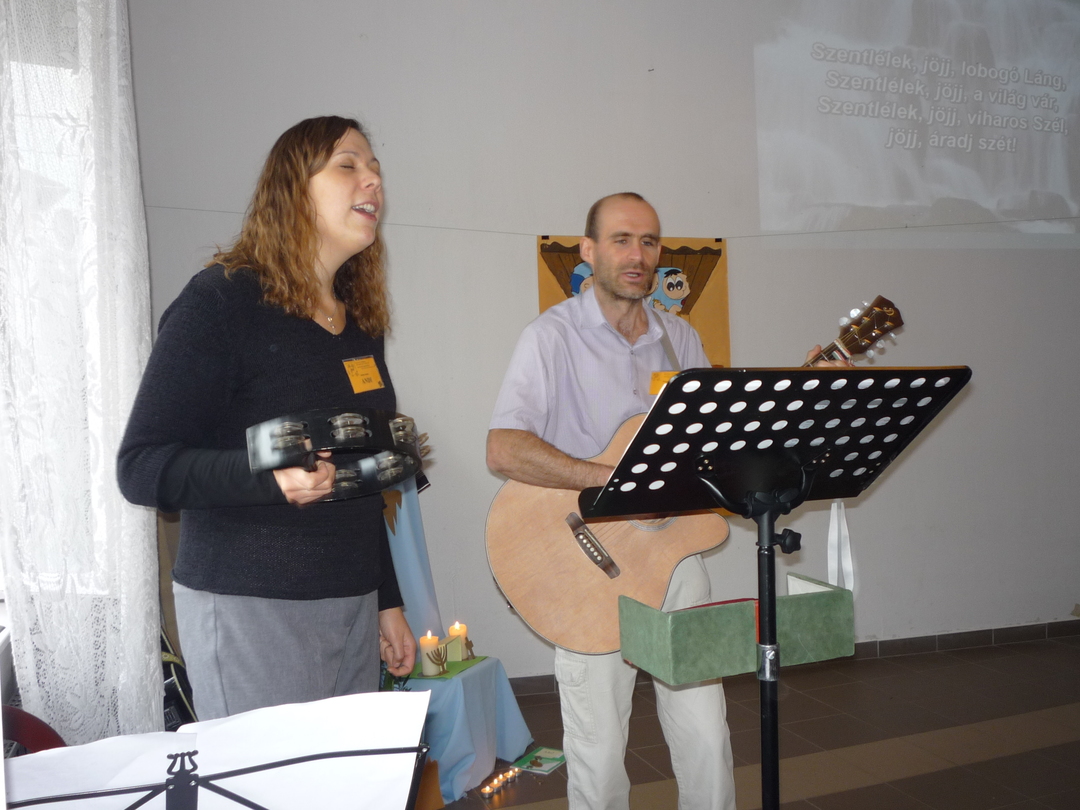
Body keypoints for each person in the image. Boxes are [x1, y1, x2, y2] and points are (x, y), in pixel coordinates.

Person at [487, 192, 849, 810]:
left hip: (675, 562)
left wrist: (804, 397)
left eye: (649, 241)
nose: (638, 255)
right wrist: (612, 480)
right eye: (622, 240)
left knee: (707, 735)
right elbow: (504, 449)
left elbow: (719, 450)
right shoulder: (551, 337)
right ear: (588, 250)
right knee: (600, 752)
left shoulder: (680, 339)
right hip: (584, 565)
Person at [118, 116, 415, 721]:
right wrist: (271, 481)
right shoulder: (222, 300)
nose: (373, 180)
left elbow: (361, 478)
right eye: (348, 165)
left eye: (376, 168)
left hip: (352, 600)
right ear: (293, 190)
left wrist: (387, 601)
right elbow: (142, 467)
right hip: (250, 603)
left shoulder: (360, 323)